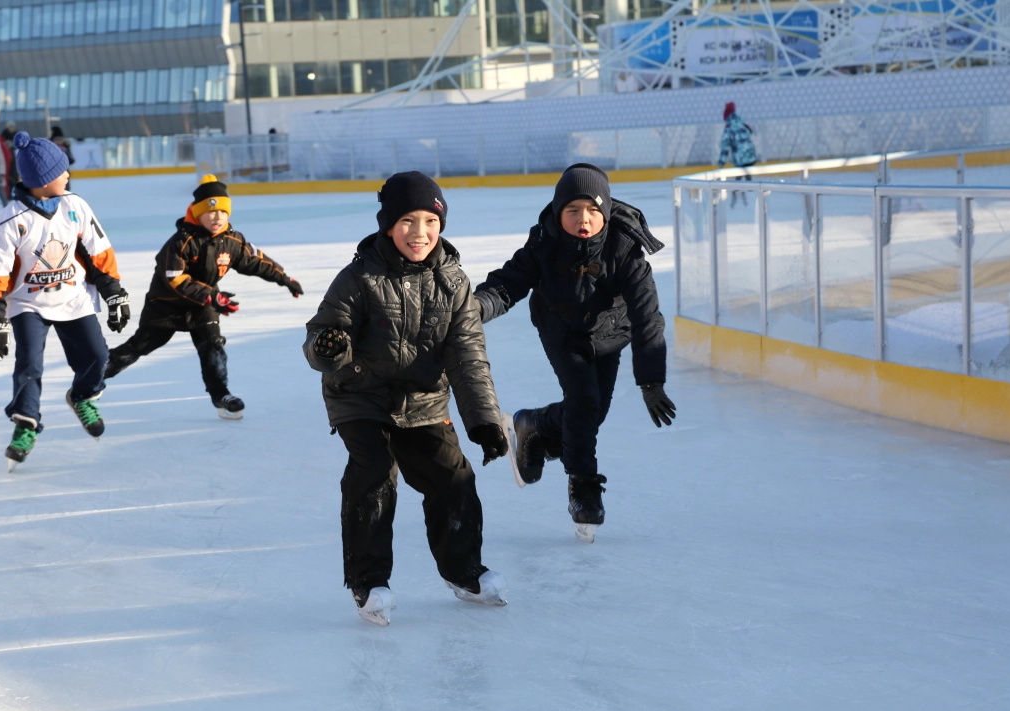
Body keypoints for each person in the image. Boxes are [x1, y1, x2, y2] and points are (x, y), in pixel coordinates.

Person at [303, 171, 510, 626]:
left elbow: (469, 359)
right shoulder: (358, 277)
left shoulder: (454, 283)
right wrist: (328, 348)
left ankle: (464, 572)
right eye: (407, 222)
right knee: (374, 473)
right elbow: (320, 335)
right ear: (387, 225)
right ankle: (369, 581)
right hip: (360, 395)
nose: (419, 233)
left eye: (429, 222)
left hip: (423, 401)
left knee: (453, 477)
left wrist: (485, 422)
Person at [472, 163, 676, 543]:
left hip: (611, 334)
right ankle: (584, 487)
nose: (584, 219)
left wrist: (651, 380)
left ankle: (535, 427)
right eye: (573, 211)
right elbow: (507, 285)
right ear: (557, 211)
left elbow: (648, 316)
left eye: (593, 211)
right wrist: (476, 308)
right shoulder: (543, 243)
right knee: (583, 402)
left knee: (592, 413)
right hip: (561, 331)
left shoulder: (625, 248)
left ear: (607, 212)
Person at [0, 130, 131, 469]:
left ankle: (82, 396)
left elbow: (98, 254)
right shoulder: (10, 220)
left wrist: (114, 293)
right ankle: (25, 425)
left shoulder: (76, 206)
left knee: (98, 355)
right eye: (63, 171)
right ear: (43, 180)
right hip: (27, 303)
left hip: (74, 298)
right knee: (29, 364)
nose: (68, 175)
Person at [105, 174, 304, 420]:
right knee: (140, 347)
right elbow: (175, 279)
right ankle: (94, 376)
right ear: (197, 213)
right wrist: (211, 295)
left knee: (213, 346)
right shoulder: (181, 242)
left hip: (203, 306)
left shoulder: (232, 240)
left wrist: (285, 278)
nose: (217, 217)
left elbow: (256, 261)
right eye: (210, 212)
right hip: (166, 305)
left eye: (222, 211)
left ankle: (221, 395)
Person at [718, 102, 757, 207]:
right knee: (747, 173)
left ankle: (738, 197)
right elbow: (749, 133)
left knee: (739, 174)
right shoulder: (742, 124)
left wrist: (721, 163)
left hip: (740, 159)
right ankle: (749, 194)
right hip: (751, 156)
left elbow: (725, 148)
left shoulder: (729, 129)